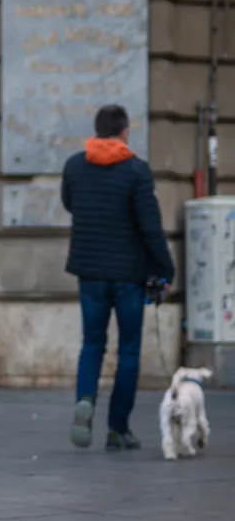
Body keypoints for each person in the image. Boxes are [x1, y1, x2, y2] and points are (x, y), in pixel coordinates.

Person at [62, 103, 175, 451]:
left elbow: (70, 204)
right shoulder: (136, 171)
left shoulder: (75, 167)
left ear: (97, 130)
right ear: (124, 131)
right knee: (128, 350)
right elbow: (151, 227)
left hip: (90, 273)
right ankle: (118, 427)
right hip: (129, 275)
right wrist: (165, 268)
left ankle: (85, 399)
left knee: (92, 344)